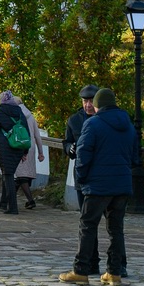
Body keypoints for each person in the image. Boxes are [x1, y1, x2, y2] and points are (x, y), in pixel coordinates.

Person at [60, 87, 137, 286]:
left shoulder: (93, 124)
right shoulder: (128, 125)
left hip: (98, 185)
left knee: (87, 225)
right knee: (116, 229)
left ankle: (81, 271)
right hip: (121, 185)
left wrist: (82, 178)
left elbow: (83, 154)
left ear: (97, 105)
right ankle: (114, 272)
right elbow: (135, 156)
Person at [63, 84, 99, 216]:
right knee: (85, 213)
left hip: (100, 171)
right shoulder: (74, 120)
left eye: (91, 101)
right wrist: (70, 148)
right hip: (81, 172)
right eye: (85, 101)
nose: (88, 105)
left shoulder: (104, 119)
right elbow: (66, 142)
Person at [12, 93, 46, 209]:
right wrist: (41, 152)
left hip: (19, 145)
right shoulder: (31, 116)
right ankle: (8, 199)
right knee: (21, 175)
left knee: (20, 176)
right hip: (30, 147)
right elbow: (37, 136)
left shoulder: (15, 115)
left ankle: (30, 200)